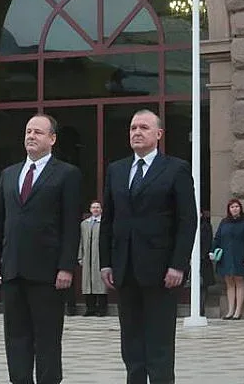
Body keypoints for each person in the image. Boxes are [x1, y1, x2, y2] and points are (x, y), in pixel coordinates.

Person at [99, 109, 196, 384]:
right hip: (125, 269)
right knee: (131, 343)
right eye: (132, 128)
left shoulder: (175, 169)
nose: (136, 132)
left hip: (161, 271)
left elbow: (187, 221)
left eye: (143, 127)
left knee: (159, 343)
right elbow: (109, 220)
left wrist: (178, 264)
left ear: (158, 134)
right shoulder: (117, 170)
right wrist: (106, 262)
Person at [0, 113, 81, 384]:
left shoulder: (67, 174)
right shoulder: (9, 174)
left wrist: (66, 267)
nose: (31, 136)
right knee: (16, 338)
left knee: (47, 338)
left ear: (52, 138)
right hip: (13, 270)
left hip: (48, 273)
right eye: (28, 131)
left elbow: (70, 225)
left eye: (38, 132)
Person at [211, 199, 244, 320]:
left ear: (240, 208)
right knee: (229, 282)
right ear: (229, 209)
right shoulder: (224, 222)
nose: (234, 209)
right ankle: (230, 310)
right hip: (226, 256)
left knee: (239, 281)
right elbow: (217, 238)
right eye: (232, 207)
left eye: (237, 206)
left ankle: (238, 311)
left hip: (239, 255)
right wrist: (212, 250)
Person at [77, 201, 107, 317]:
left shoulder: (103, 223)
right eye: (93, 207)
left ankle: (102, 309)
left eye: (97, 207)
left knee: (100, 284)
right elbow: (81, 241)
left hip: (99, 258)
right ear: (90, 209)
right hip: (87, 257)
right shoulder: (84, 224)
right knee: (87, 283)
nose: (95, 209)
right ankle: (90, 308)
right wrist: (80, 256)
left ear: (101, 210)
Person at [199, 210, 214, 317]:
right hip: (190, 261)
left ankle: (200, 309)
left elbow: (207, 243)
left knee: (202, 285)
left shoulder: (205, 227)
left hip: (203, 261)